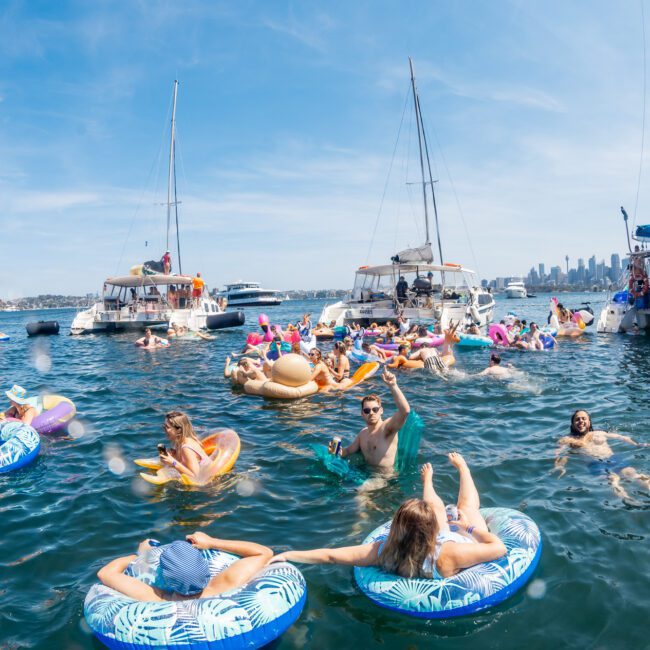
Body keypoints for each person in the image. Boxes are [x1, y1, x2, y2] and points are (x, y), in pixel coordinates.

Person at [271, 454, 506, 578]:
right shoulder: (450, 554)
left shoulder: (383, 552)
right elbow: (499, 548)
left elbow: (331, 556)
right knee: (466, 507)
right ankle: (463, 469)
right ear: (431, 530)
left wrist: (290, 554)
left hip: (423, 547)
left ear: (396, 526)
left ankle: (428, 482)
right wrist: (468, 528)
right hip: (454, 542)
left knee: (433, 508)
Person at [97, 534, 272, 602]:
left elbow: (105, 573)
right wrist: (212, 542)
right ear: (206, 568)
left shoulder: (156, 598)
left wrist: (140, 556)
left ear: (164, 578)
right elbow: (264, 553)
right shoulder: (223, 584)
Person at [554, 410, 650, 501]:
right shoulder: (567, 439)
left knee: (632, 474)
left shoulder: (599, 433)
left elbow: (622, 437)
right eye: (577, 419)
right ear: (573, 424)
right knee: (613, 480)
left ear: (589, 422)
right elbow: (559, 453)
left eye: (584, 418)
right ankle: (629, 501)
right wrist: (560, 466)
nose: (581, 421)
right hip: (595, 464)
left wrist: (637, 444)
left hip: (613, 459)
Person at [338, 369, 410, 468]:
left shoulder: (387, 428)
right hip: (366, 473)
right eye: (367, 411)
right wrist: (337, 451)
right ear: (362, 414)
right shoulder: (362, 434)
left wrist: (393, 386)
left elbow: (405, 411)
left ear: (381, 411)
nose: (371, 413)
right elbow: (348, 451)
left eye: (375, 409)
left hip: (383, 478)